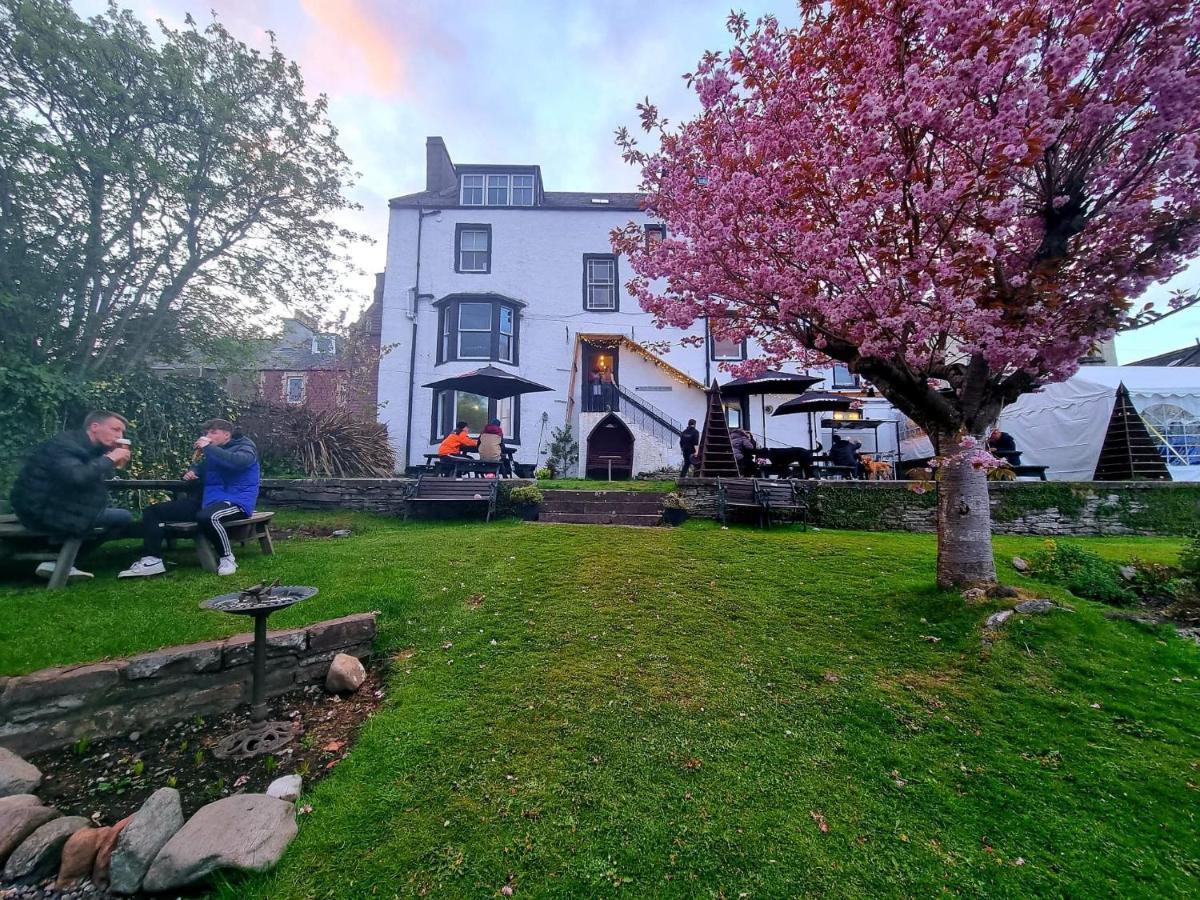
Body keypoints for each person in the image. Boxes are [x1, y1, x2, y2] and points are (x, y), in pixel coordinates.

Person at [119, 418, 260, 578]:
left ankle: (227, 558)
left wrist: (208, 447)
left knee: (208, 517)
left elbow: (237, 463)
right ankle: (153, 560)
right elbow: (200, 468)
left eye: (213, 432)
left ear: (227, 434)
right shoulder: (212, 451)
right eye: (206, 433)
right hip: (207, 500)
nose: (208, 435)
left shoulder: (245, 448)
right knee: (154, 512)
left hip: (236, 500)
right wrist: (191, 473)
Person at [9, 410, 134, 580]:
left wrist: (107, 458)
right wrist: (110, 458)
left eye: (121, 432)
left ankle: (62, 559)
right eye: (115, 429)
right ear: (95, 427)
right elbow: (77, 477)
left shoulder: (88, 447)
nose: (119, 435)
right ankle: (63, 561)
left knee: (110, 515)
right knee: (122, 517)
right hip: (39, 509)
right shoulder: (65, 445)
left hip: (53, 505)